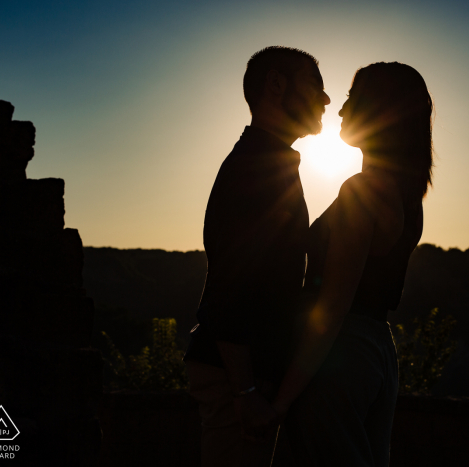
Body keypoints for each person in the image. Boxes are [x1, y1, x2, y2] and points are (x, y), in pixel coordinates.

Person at [268, 62, 434, 466]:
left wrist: (280, 400)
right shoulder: (406, 195)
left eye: (350, 98)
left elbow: (335, 304)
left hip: (339, 354)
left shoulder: (363, 190)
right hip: (377, 348)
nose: (340, 110)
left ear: (380, 110)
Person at [183, 46, 330, 467]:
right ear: (276, 84)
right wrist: (245, 392)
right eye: (315, 85)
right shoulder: (255, 168)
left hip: (245, 375)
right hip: (237, 378)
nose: (325, 99)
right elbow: (232, 283)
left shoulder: (271, 161)